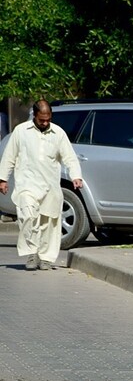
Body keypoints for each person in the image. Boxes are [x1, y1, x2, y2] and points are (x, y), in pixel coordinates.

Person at [0, 100, 83, 270]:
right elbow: (9, 156)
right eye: (41, 120)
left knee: (49, 223)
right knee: (28, 217)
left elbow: (70, 157)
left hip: (50, 186)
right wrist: (3, 179)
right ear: (34, 116)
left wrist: (76, 176)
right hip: (27, 185)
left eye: (48, 120)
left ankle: (46, 257)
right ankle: (32, 253)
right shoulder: (21, 131)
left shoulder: (58, 133)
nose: (45, 123)